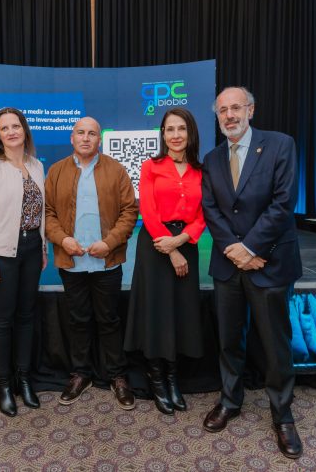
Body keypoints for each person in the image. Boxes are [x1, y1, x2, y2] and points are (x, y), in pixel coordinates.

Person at [200, 87, 304, 459]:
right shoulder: (211, 158)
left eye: (236, 108)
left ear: (251, 110)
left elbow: (283, 203)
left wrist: (251, 249)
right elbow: (211, 209)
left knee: (275, 343)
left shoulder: (280, 145)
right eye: (222, 110)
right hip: (228, 265)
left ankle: (283, 414)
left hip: (270, 262)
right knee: (229, 339)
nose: (229, 115)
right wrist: (235, 250)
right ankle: (230, 400)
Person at [44, 116, 139, 410]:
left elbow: (129, 212)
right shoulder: (56, 171)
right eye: (80, 133)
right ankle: (81, 374)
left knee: (109, 320)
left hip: (106, 262)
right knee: (78, 320)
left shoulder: (116, 170)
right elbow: (47, 213)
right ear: (72, 138)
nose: (86, 138)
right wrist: (63, 240)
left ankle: (117, 375)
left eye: (92, 133)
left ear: (100, 139)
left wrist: (109, 243)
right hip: (71, 262)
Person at [124, 108, 206, 415]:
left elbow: (203, 216)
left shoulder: (200, 170)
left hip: (187, 244)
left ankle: (173, 378)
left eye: (181, 128)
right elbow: (148, 210)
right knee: (156, 312)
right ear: (162, 134)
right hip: (156, 246)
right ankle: (157, 379)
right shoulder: (151, 166)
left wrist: (181, 241)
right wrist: (171, 249)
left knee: (180, 312)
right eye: (169, 129)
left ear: (190, 132)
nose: (175, 135)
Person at [0, 107, 46, 417]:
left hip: (32, 250)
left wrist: (43, 248)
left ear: (25, 130)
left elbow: (39, 213)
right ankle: (3, 384)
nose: (12, 132)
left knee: (26, 316)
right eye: (5, 128)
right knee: (2, 320)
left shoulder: (37, 165)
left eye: (16, 126)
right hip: (2, 253)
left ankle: (24, 379)